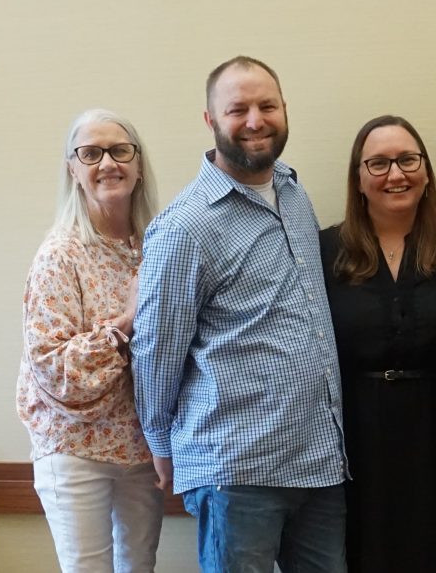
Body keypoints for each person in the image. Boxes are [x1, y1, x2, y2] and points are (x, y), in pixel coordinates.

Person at [131, 56, 348, 573]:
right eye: (238, 109)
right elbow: (156, 350)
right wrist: (161, 446)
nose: (255, 120)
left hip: (319, 463)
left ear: (284, 110)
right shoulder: (185, 227)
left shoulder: (295, 195)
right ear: (210, 120)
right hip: (237, 469)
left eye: (266, 105)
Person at [319, 115, 436, 573]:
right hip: (355, 435)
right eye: (379, 163)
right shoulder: (326, 249)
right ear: (359, 178)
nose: (396, 174)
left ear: (425, 172)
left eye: (407, 160)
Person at [16, 108, 162, 572]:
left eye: (120, 150)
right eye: (91, 153)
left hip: (141, 447)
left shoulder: (158, 247)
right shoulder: (60, 254)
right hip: (74, 450)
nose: (107, 163)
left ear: (138, 166)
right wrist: (128, 320)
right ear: (73, 170)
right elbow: (54, 369)